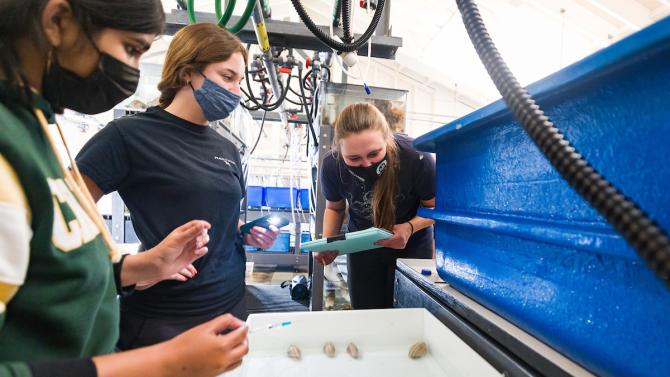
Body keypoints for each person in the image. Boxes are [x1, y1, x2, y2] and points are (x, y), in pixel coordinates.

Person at [0, 1, 248, 376]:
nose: (131, 72)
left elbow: (61, 255)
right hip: (162, 319)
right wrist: (162, 361)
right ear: (56, 20)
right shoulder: (121, 137)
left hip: (220, 300)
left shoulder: (33, 126)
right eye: (131, 49)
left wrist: (139, 267)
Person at [75, 22, 280, 350]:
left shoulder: (226, 147)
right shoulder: (129, 136)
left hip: (230, 306)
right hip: (166, 318)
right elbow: (66, 219)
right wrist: (134, 269)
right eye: (227, 77)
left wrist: (244, 231)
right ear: (188, 73)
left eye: (240, 81)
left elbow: (215, 217)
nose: (237, 92)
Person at [315, 102, 436, 309]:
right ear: (340, 150)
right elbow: (335, 208)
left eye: (374, 154)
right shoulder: (331, 165)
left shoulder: (417, 157)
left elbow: (434, 209)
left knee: (410, 315)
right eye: (354, 158)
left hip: (411, 246)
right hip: (363, 249)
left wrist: (409, 228)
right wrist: (330, 242)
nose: (366, 164)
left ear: (387, 138)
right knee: (367, 313)